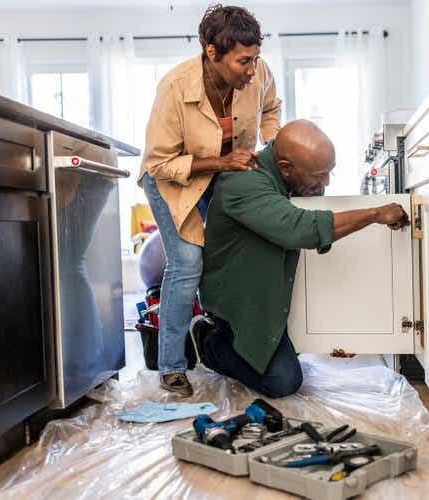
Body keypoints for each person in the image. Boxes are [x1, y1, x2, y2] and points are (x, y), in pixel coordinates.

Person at [189, 120, 409, 398]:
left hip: (277, 289)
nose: (325, 183)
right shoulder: (242, 179)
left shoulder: (300, 183)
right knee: (283, 381)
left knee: (286, 360)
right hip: (243, 305)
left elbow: (326, 257)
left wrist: (343, 329)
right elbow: (300, 230)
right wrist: (374, 214)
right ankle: (209, 342)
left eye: (329, 173)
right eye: (319, 175)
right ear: (285, 167)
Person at [138, 4, 281, 396]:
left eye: (255, 59)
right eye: (243, 62)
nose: (251, 70)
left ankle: (222, 344)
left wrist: (271, 143)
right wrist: (221, 161)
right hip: (174, 179)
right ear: (211, 52)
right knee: (186, 264)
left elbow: (271, 107)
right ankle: (171, 366)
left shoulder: (259, 73)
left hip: (225, 173)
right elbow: (160, 163)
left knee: (231, 253)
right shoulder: (174, 87)